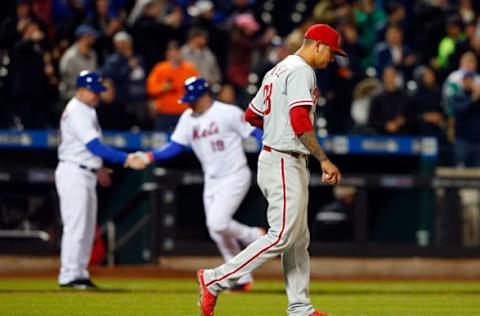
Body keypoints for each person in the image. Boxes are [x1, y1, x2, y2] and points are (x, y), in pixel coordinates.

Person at [196, 23, 344, 316]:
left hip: (279, 157)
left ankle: (300, 307)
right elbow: (300, 121)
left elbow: (253, 114)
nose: (332, 59)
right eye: (331, 52)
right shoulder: (302, 70)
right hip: (283, 160)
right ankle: (215, 279)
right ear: (318, 45)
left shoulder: (277, 69)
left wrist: (277, 129)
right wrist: (324, 159)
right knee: (281, 236)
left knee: (298, 240)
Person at [136, 77, 265, 291]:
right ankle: (242, 278)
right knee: (216, 231)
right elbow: (175, 146)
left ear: (206, 96)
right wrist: (150, 156)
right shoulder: (188, 117)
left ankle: (255, 236)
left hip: (234, 174)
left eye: (193, 99)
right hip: (212, 178)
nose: (190, 103)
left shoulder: (228, 112)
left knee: (218, 223)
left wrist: (267, 152)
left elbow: (257, 132)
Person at [55, 71, 145, 289]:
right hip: (73, 171)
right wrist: (126, 159)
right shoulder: (77, 110)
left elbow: (90, 149)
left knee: (86, 228)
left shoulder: (87, 109)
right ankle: (68, 275)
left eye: (98, 91)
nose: (97, 95)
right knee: (76, 226)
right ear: (82, 89)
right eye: (94, 91)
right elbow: (94, 146)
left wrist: (99, 167)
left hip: (85, 171)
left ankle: (79, 272)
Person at [146, 41, 199, 131]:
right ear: (167, 54)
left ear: (180, 54)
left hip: (184, 112)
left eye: (176, 53)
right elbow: (150, 88)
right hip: (164, 113)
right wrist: (163, 87)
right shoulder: (160, 68)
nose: (174, 56)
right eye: (171, 54)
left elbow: (197, 89)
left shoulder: (189, 69)